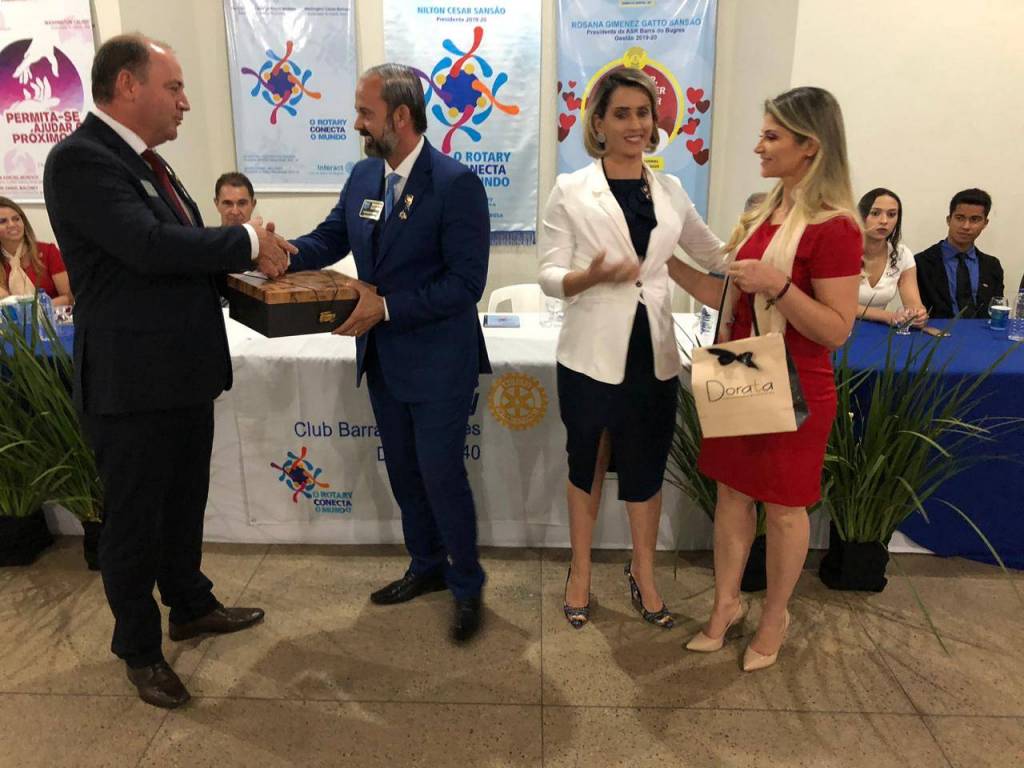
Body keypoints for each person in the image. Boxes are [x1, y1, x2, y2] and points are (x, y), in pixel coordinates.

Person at [43, 34, 293, 709]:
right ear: (128, 85)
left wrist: (255, 266)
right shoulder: (81, 160)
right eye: (174, 87)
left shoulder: (150, 164)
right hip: (131, 386)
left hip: (182, 375)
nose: (184, 102)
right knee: (134, 523)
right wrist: (248, 240)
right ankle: (140, 650)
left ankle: (190, 604)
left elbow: (182, 258)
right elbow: (150, 246)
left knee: (183, 504)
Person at [288, 63, 491, 644]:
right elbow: (329, 238)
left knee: (441, 476)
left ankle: (466, 583)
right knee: (404, 472)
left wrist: (388, 307)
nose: (357, 123)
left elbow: (466, 284)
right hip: (383, 360)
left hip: (439, 363)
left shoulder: (455, 183)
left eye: (365, 112)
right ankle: (425, 566)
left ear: (400, 116)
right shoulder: (363, 176)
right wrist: (282, 252)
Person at [668, 87, 861, 671]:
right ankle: (726, 604)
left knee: (783, 509)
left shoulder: (836, 227)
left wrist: (779, 285)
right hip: (743, 367)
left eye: (772, 136)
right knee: (732, 496)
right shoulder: (762, 214)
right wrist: (663, 260)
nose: (759, 146)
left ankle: (775, 615)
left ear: (810, 146)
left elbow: (836, 329)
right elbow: (728, 295)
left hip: (797, 385)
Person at [538, 69, 726, 630]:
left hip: (654, 352)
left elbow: (716, 255)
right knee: (587, 463)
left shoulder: (670, 191)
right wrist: (588, 277)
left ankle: (644, 572)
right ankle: (580, 570)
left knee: (645, 467)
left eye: (644, 113)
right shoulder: (572, 189)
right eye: (622, 113)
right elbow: (549, 274)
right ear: (598, 123)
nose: (636, 124)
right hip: (589, 355)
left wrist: (777, 243)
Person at [915, 188, 1004, 319]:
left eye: (975, 219)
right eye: (960, 218)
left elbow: (997, 311)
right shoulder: (921, 263)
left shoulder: (992, 266)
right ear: (948, 220)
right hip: (937, 331)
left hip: (982, 331)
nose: (966, 226)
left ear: (985, 223)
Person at [856, 188, 927, 327]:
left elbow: (913, 303)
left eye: (891, 214)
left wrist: (917, 315)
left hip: (879, 330)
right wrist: (887, 316)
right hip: (839, 329)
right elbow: (837, 305)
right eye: (875, 213)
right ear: (860, 216)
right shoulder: (842, 251)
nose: (884, 221)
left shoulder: (902, 254)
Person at [0, 196, 74, 306]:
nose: (12, 225)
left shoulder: (48, 251)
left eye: (16, 219)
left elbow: (69, 297)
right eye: (2, 221)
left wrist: (36, 310)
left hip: (51, 315)